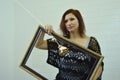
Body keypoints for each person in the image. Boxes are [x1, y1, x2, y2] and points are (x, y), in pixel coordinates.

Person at [35, 9, 104, 80]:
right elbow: (39, 45)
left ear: (79, 20)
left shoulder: (91, 41)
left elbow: (99, 66)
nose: (69, 23)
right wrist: (43, 30)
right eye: (66, 21)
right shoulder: (60, 41)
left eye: (72, 19)